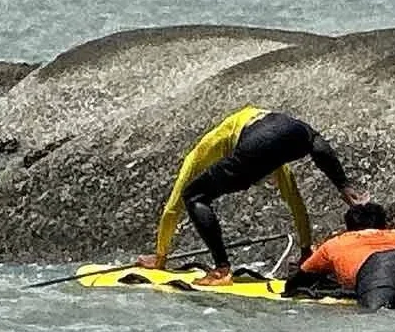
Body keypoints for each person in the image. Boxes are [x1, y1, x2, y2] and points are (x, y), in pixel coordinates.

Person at [136, 104, 367, 285]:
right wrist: (306, 249)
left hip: (256, 140)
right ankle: (347, 189)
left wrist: (161, 256)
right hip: (293, 127)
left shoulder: (203, 150)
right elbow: (296, 201)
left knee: (193, 195)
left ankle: (220, 271)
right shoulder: (273, 158)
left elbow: (173, 207)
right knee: (312, 139)